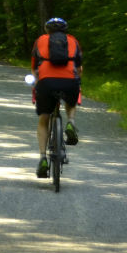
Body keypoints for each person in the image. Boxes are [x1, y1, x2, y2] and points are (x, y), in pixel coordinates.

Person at [30, 16, 82, 178]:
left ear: (47, 30)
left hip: (46, 83)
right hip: (69, 82)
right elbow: (79, 68)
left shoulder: (40, 40)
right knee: (71, 99)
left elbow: (34, 68)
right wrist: (76, 80)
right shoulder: (73, 41)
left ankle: (43, 158)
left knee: (44, 118)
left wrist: (37, 84)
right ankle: (71, 122)